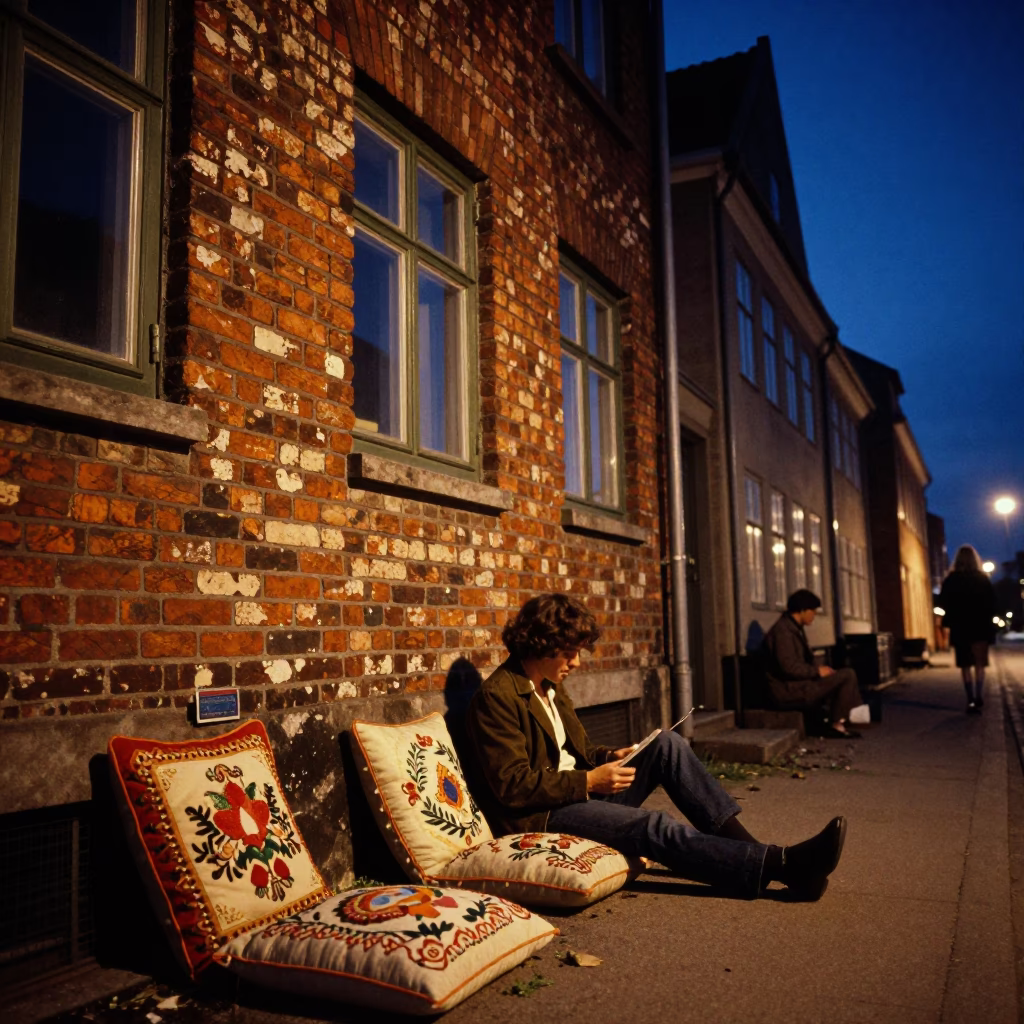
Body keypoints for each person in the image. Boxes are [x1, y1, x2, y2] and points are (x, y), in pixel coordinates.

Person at [466, 593, 847, 901]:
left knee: (667, 743)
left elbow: (575, 751)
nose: (576, 663)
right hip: (544, 812)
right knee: (653, 826)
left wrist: (609, 756)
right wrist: (589, 781)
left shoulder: (551, 685)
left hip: (579, 790)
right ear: (541, 644)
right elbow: (511, 785)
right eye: (569, 653)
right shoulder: (498, 696)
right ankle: (784, 866)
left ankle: (755, 851)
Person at [762, 589, 863, 738]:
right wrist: (817, 672)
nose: (814, 616)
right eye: (813, 612)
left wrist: (820, 670)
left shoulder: (793, 628)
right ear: (802, 610)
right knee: (847, 675)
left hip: (796, 685)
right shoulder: (783, 632)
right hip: (788, 691)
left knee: (843, 675)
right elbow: (788, 667)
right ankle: (838, 724)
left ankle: (843, 720)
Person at [938, 544, 996, 714]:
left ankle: (970, 699)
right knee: (979, 664)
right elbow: (992, 602)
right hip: (980, 627)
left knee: (965, 665)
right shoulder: (982, 579)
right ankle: (979, 695)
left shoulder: (951, 580)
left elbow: (943, 602)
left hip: (960, 628)